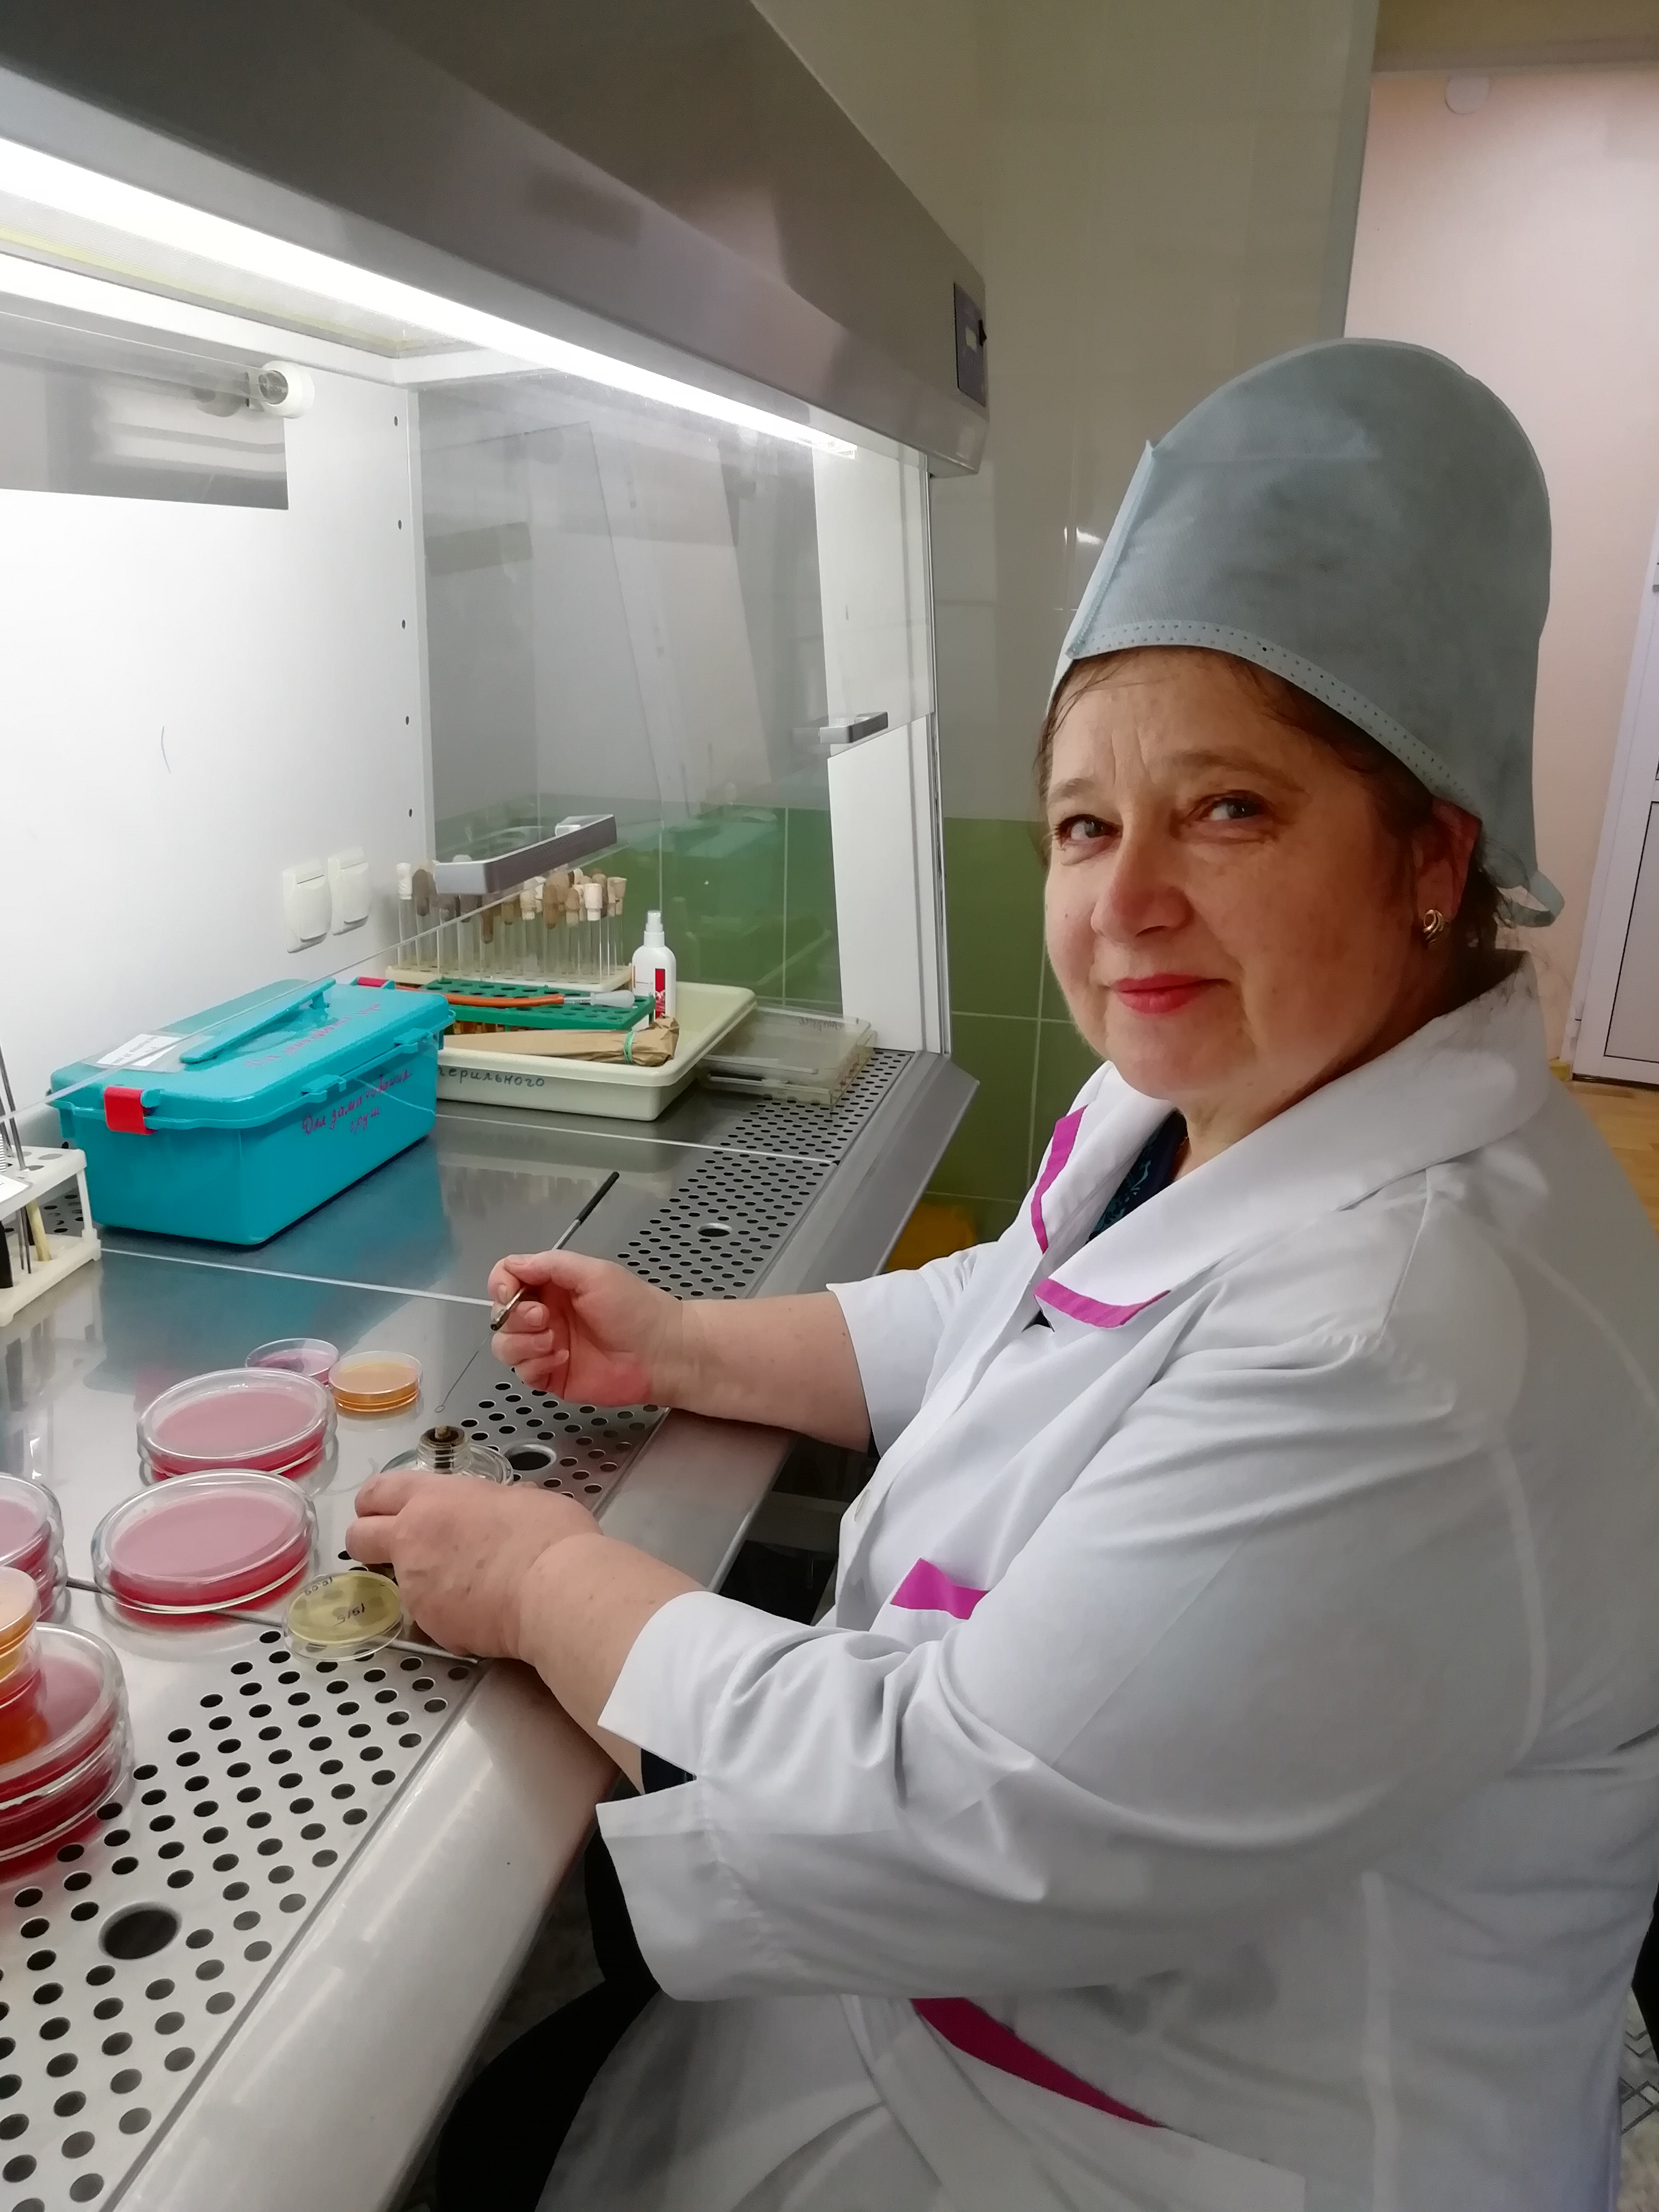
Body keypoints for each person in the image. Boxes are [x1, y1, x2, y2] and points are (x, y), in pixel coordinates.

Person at [349, 340, 1659, 2212]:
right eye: (1082, 824)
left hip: (1168, 2140)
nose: (1123, 901)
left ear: (1430, 856)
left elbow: (946, 1819)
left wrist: (550, 1578)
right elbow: (1024, 1307)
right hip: (996, 2015)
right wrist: (690, 1344)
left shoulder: (1410, 1343)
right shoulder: (1212, 1100)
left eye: (1228, 809)